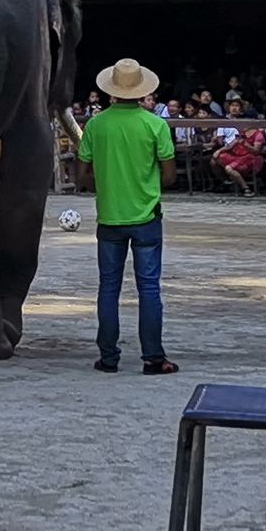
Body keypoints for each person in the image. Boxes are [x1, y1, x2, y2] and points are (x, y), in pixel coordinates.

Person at [63, 58, 179, 375]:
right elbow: (169, 176)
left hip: (110, 218)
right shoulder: (155, 125)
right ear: (143, 92)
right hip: (146, 217)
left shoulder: (97, 125)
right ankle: (153, 358)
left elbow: (82, 175)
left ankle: (109, 357)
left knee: (108, 288)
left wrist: (108, 178)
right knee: (149, 289)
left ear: (111, 91)